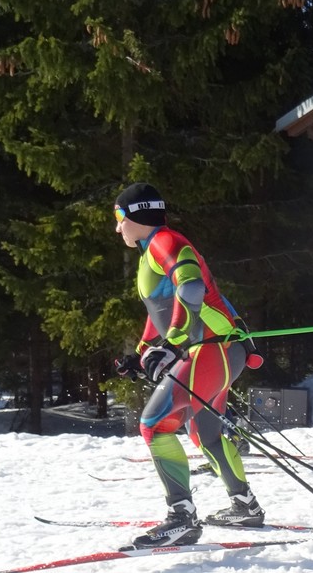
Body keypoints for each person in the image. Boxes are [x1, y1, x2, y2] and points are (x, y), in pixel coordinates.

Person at [111, 182, 262, 546]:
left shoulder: (165, 241)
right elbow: (160, 309)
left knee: (154, 424)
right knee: (204, 433)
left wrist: (173, 343)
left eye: (119, 217)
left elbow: (190, 288)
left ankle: (182, 518)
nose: (117, 228)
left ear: (136, 216)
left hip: (211, 349)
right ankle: (245, 506)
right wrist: (144, 351)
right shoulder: (153, 250)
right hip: (217, 350)